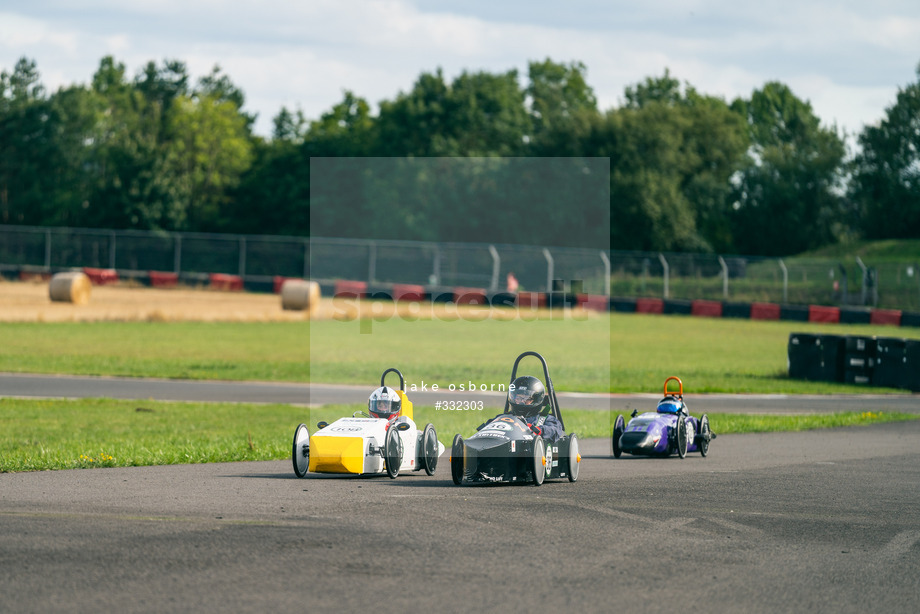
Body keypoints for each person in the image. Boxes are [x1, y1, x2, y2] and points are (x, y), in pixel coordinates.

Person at [507, 375, 564, 442]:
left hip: (533, 448)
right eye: (519, 398)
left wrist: (537, 430)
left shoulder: (544, 419)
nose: (522, 402)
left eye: (526, 399)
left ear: (536, 400)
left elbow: (555, 430)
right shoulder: (506, 417)